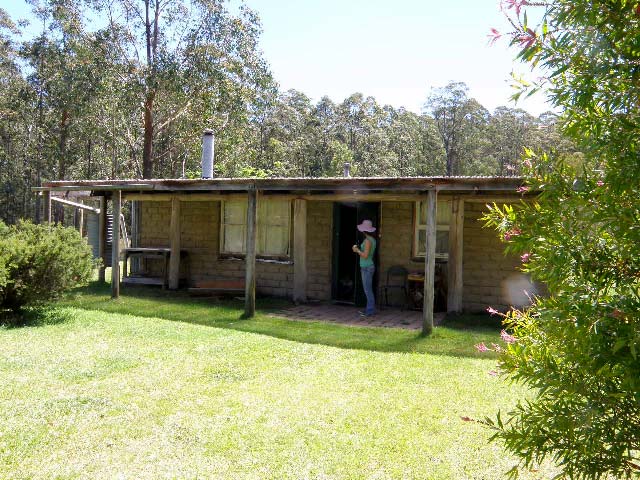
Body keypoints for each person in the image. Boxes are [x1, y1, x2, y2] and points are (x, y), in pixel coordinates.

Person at [352, 219, 377, 317]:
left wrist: (357, 250)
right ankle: (368, 309)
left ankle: (370, 311)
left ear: (364, 230)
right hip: (368, 266)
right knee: (368, 289)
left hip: (367, 267)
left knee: (367, 290)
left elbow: (365, 255)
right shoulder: (372, 240)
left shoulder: (367, 241)